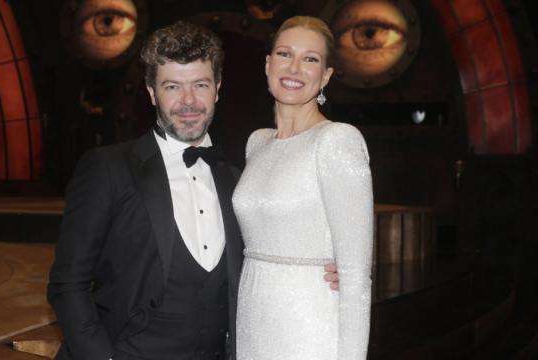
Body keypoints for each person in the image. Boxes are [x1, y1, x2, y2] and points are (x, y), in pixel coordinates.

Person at [47, 20, 339, 360]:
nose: (189, 101)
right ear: (152, 91)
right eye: (172, 87)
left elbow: (267, 254)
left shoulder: (238, 181)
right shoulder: (107, 169)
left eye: (200, 85)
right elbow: (68, 284)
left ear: (217, 87)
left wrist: (329, 268)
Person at [233, 15, 373, 360]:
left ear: (325, 76)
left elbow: (356, 280)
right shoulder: (257, 143)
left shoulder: (337, 140)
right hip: (253, 322)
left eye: (310, 59)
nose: (294, 68)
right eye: (284, 54)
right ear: (268, 65)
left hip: (310, 328)